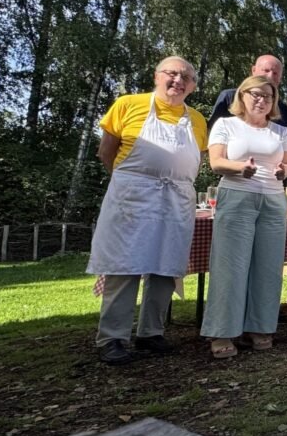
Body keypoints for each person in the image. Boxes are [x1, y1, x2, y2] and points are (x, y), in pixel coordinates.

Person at [88, 56, 207, 365]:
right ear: (157, 76)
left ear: (193, 86)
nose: (178, 80)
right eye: (172, 73)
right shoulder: (128, 105)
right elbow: (106, 152)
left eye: (186, 77)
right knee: (123, 264)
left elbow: (194, 159)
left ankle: (151, 332)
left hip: (177, 196)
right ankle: (113, 337)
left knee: (166, 265)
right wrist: (133, 182)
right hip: (134, 195)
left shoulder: (197, 119)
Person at [201, 75, 287, 358]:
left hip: (273, 200)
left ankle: (260, 327)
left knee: (268, 266)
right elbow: (216, 162)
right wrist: (241, 167)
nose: (261, 100)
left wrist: (284, 172)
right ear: (242, 96)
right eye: (256, 94)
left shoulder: (280, 131)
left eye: (268, 96)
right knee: (231, 265)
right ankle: (222, 332)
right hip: (237, 195)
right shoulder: (226, 124)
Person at [208, 55, 287, 135]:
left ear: (280, 78)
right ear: (253, 70)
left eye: (275, 73)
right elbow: (212, 134)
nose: (270, 76)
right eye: (266, 70)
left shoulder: (286, 112)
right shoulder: (229, 97)